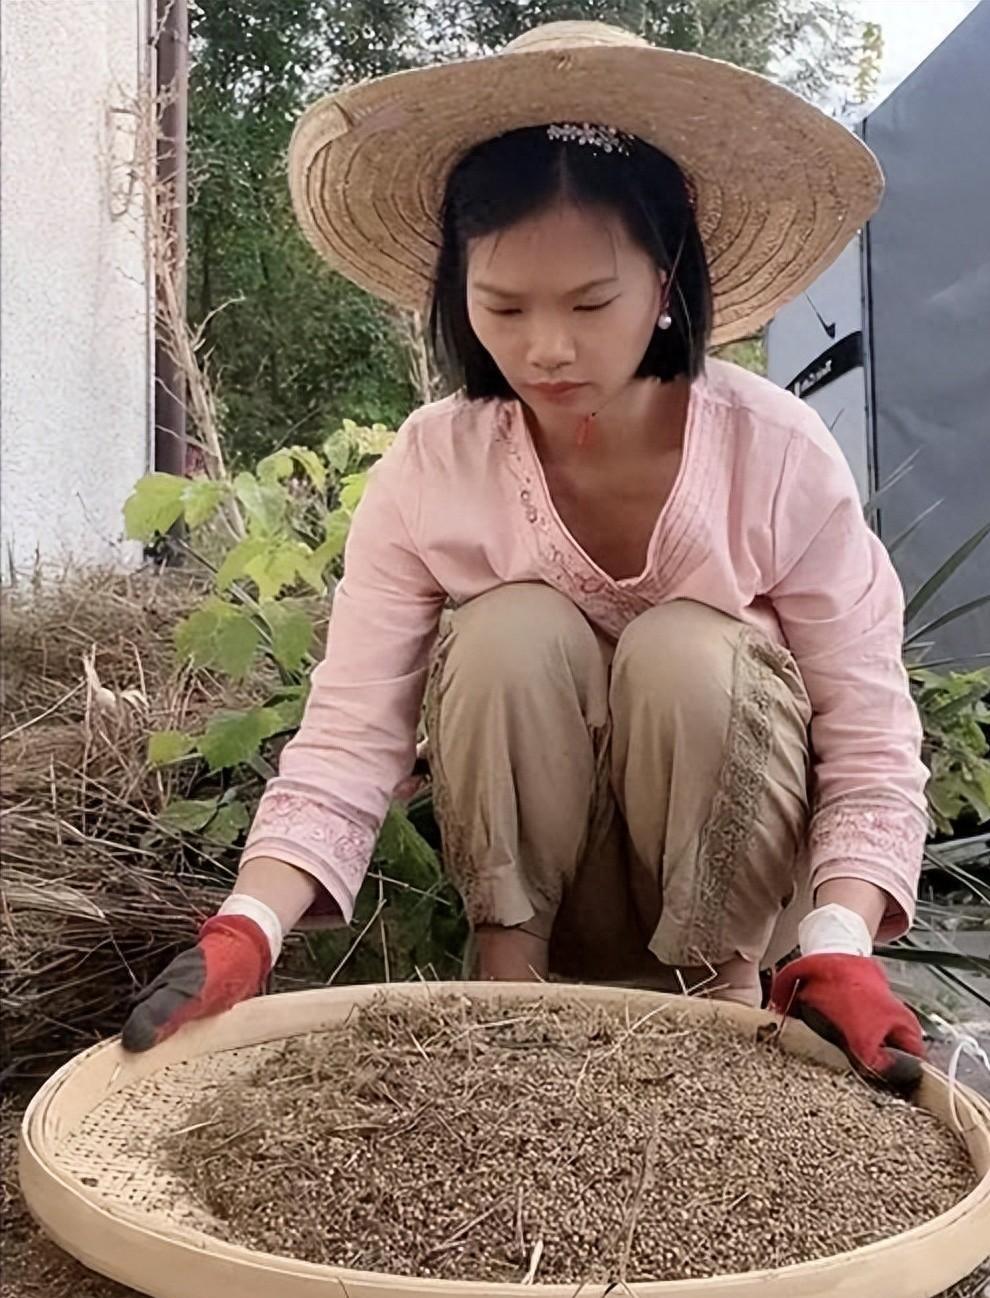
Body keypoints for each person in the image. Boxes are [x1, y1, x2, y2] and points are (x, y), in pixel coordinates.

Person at [122, 21, 927, 1089]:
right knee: (509, 627)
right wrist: (248, 926)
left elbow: (870, 731)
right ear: (458, 289)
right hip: (539, 902)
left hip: (731, 910)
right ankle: (511, 996)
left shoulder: (774, 457)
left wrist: (838, 936)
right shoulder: (432, 467)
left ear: (668, 280)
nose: (546, 347)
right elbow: (351, 732)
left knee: (690, 650)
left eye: (591, 303)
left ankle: (723, 1022)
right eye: (502, 305)